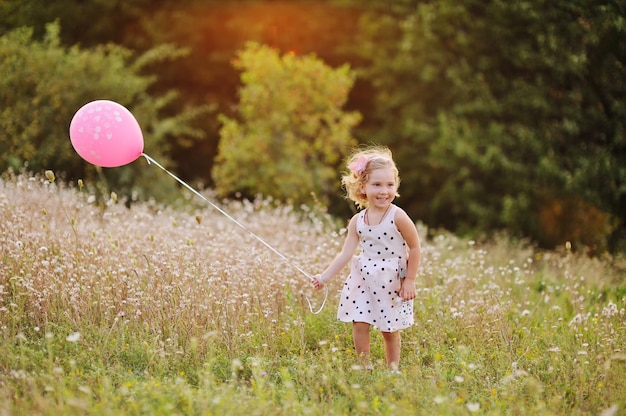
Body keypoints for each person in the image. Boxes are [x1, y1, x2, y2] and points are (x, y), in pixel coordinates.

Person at [312, 146, 421, 372]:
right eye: (377, 185)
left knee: (389, 329)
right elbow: (345, 254)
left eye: (389, 185)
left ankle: (393, 369)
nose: (384, 191)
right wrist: (324, 277)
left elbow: (415, 247)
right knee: (359, 322)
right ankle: (365, 366)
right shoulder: (357, 221)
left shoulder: (398, 216)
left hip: (391, 279)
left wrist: (410, 280)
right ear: (362, 187)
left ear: (396, 186)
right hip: (364, 278)